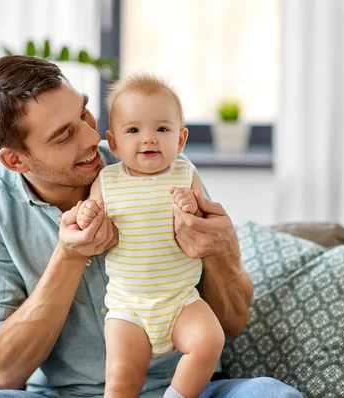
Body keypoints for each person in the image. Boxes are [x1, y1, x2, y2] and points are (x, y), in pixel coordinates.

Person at [0, 55, 302, 398]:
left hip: (187, 389)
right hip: (65, 394)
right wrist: (69, 257)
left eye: (83, 112)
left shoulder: (161, 166)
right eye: (63, 136)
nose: (92, 137)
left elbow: (234, 323)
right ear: (14, 159)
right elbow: (4, 372)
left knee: (271, 394)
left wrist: (221, 251)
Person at [76, 74, 223, 398]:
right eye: (133, 130)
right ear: (113, 143)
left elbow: (203, 225)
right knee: (122, 377)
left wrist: (192, 207)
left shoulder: (186, 173)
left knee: (210, 340)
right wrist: (87, 214)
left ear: (181, 139)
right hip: (129, 307)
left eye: (162, 128)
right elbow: (91, 213)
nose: (149, 139)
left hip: (181, 299)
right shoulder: (107, 179)